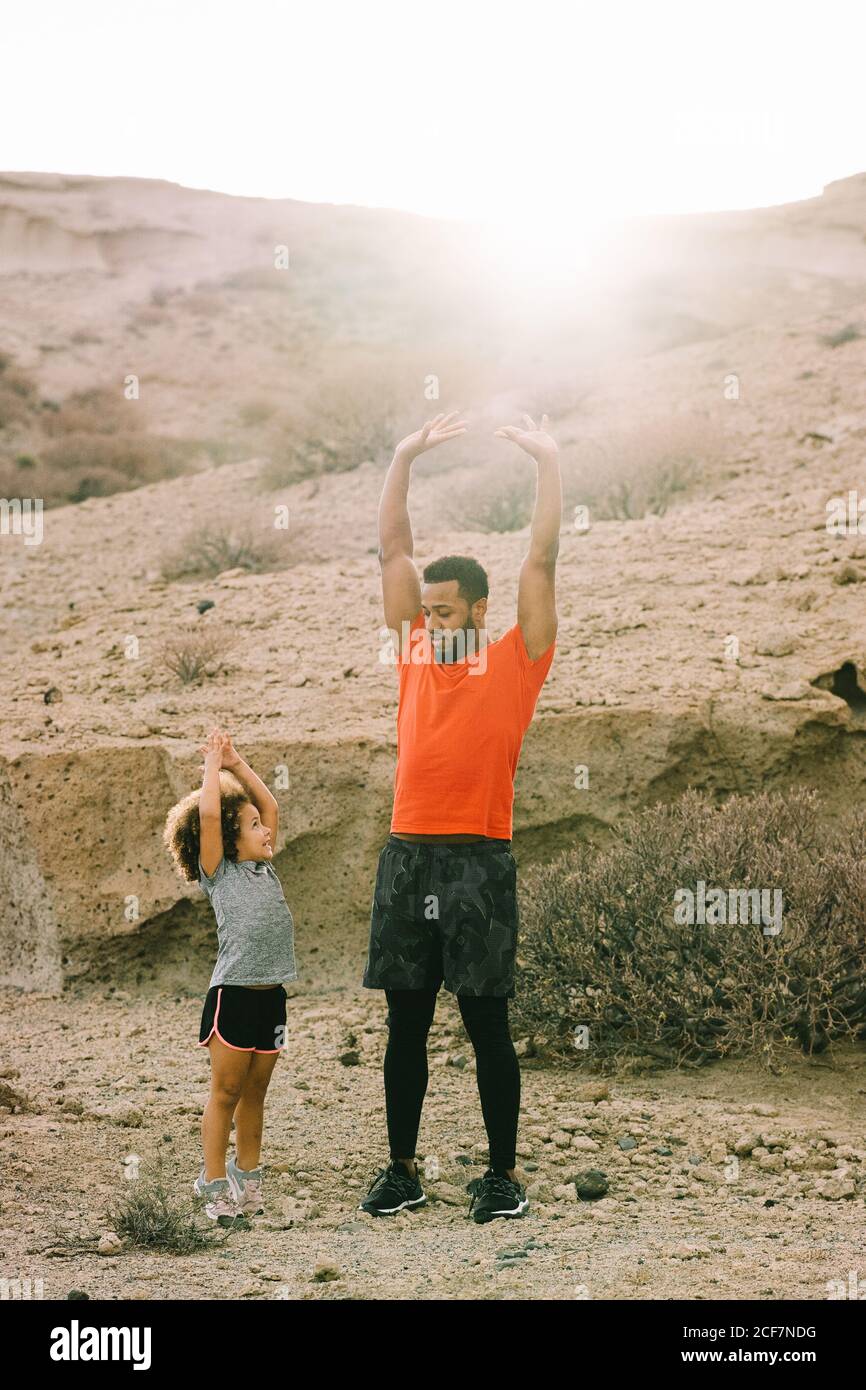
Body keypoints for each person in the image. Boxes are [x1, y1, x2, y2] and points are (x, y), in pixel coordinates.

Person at [360, 410, 561, 1223]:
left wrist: (548, 464)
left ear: (477, 610)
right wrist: (403, 454)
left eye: (445, 611)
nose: (430, 620)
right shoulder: (411, 654)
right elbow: (393, 551)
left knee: (486, 1024)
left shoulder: (518, 660)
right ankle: (402, 1169)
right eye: (427, 612)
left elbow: (541, 557)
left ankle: (502, 1178)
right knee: (405, 1023)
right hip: (409, 857)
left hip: (479, 859)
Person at [163, 729, 297, 1225]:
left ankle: (248, 1176)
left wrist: (238, 764)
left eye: (263, 826)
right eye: (255, 826)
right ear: (228, 839)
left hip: (272, 999)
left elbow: (272, 806)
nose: (266, 831)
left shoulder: (264, 868)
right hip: (233, 998)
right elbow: (211, 815)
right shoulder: (221, 871)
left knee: (257, 1092)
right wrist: (213, 768)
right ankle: (213, 1182)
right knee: (226, 1092)